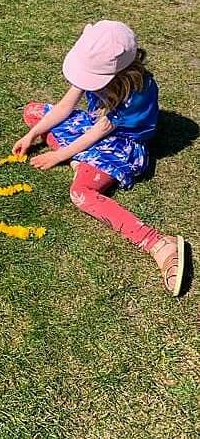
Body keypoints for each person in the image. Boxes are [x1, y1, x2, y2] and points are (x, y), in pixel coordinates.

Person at [12, 20, 187, 296]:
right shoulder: (102, 74)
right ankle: (85, 163)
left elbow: (100, 131)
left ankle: (157, 243)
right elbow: (65, 105)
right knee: (35, 113)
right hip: (94, 127)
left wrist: (60, 154)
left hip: (121, 142)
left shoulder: (136, 93)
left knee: (80, 192)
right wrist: (33, 134)